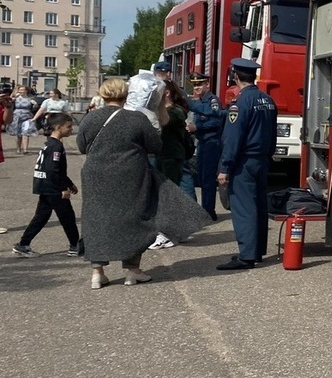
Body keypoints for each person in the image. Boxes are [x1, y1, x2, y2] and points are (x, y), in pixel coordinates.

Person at [76, 78, 211, 289]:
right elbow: (155, 145)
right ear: (126, 95)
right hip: (131, 173)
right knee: (135, 218)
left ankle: (97, 272)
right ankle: (132, 271)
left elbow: (82, 146)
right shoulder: (136, 119)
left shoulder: (90, 118)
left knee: (96, 218)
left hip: (96, 175)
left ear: (102, 95)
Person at [216, 58, 277, 270]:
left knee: (244, 208)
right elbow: (273, 133)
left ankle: (247, 255)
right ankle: (257, 250)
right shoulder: (267, 100)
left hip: (244, 161)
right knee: (259, 205)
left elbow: (233, 137)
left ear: (235, 76)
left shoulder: (240, 103)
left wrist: (225, 167)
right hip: (261, 159)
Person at [12, 113, 81, 258]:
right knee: (67, 216)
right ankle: (75, 246)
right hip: (52, 188)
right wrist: (63, 188)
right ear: (58, 127)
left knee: (41, 216)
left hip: (45, 185)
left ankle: (23, 244)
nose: (71, 130)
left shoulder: (49, 144)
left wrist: (70, 183)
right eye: (68, 127)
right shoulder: (56, 147)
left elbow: (57, 170)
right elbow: (53, 170)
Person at [147, 79, 190, 250]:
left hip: (171, 157)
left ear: (166, 93)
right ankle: (172, 231)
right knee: (162, 195)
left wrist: (157, 105)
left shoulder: (177, 111)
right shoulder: (164, 109)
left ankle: (167, 234)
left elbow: (164, 121)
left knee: (168, 196)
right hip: (162, 156)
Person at [186, 72, 224, 220]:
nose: (196, 88)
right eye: (194, 85)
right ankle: (206, 209)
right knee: (201, 178)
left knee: (208, 179)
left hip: (212, 143)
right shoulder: (199, 101)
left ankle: (209, 212)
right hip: (202, 143)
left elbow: (216, 121)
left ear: (207, 85)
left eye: (200, 84)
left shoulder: (212, 101)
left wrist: (197, 128)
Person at [7, 85, 38, 155]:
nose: (21, 91)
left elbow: (34, 108)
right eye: (20, 90)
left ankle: (25, 149)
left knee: (26, 132)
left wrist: (35, 104)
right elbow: (9, 104)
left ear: (26, 91)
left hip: (27, 117)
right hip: (17, 117)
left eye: (22, 90)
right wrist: (13, 98)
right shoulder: (16, 99)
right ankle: (18, 148)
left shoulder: (30, 99)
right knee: (18, 134)